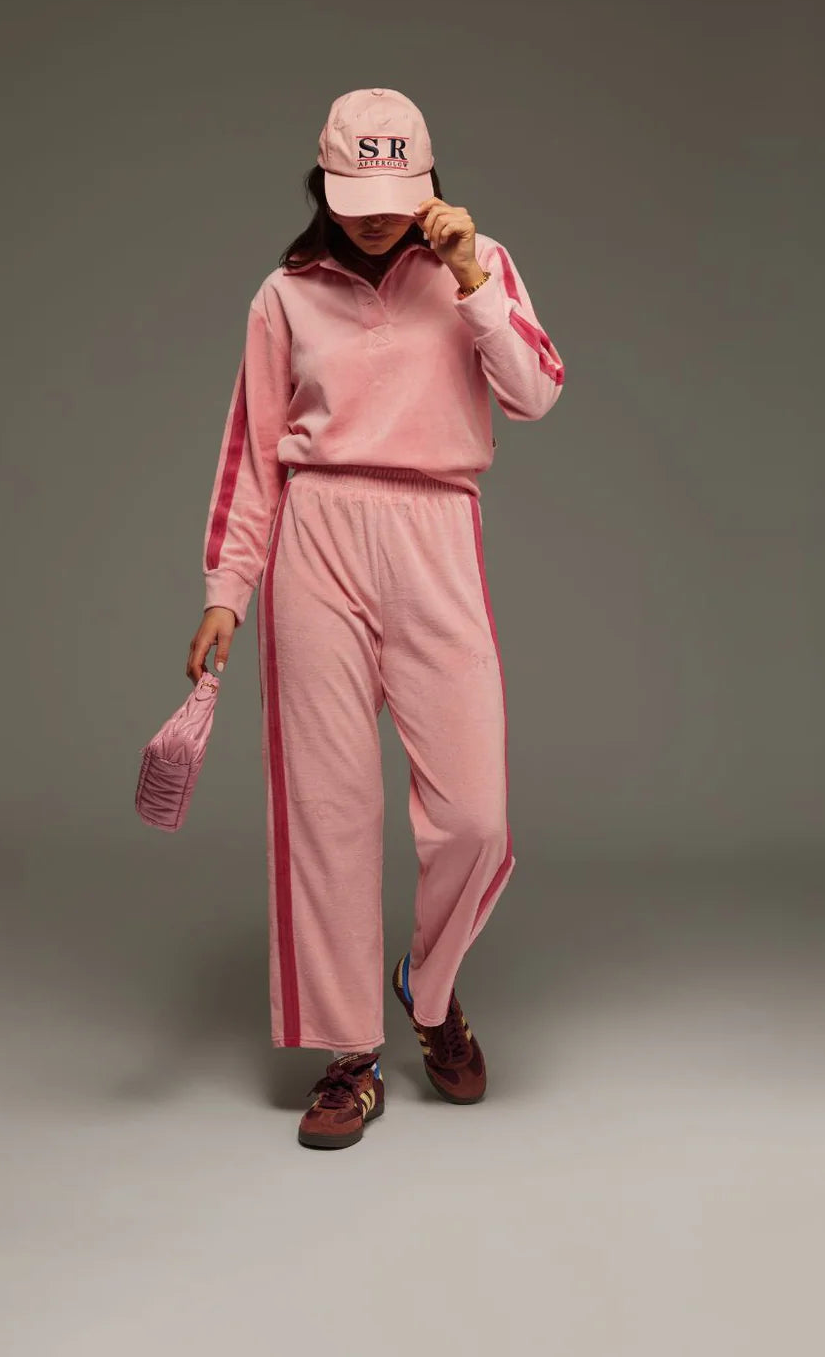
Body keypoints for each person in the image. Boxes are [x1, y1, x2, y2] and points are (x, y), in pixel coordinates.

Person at [186, 87, 565, 1149]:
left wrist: (472, 278)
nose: (376, 215)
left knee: (475, 816)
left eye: (396, 194)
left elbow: (535, 391)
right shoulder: (284, 295)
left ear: (429, 185)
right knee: (327, 809)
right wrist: (226, 590)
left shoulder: (477, 269)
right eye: (355, 196)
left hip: (435, 528)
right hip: (315, 536)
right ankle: (347, 1057)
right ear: (323, 186)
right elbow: (252, 452)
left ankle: (428, 993)